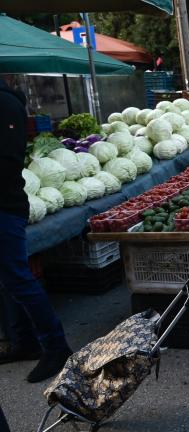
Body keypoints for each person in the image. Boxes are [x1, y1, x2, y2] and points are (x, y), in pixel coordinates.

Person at [0, 78, 72, 383]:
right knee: (8, 280)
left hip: (4, 206)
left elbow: (5, 162)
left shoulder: (5, 105)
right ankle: (24, 342)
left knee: (18, 278)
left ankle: (56, 347)